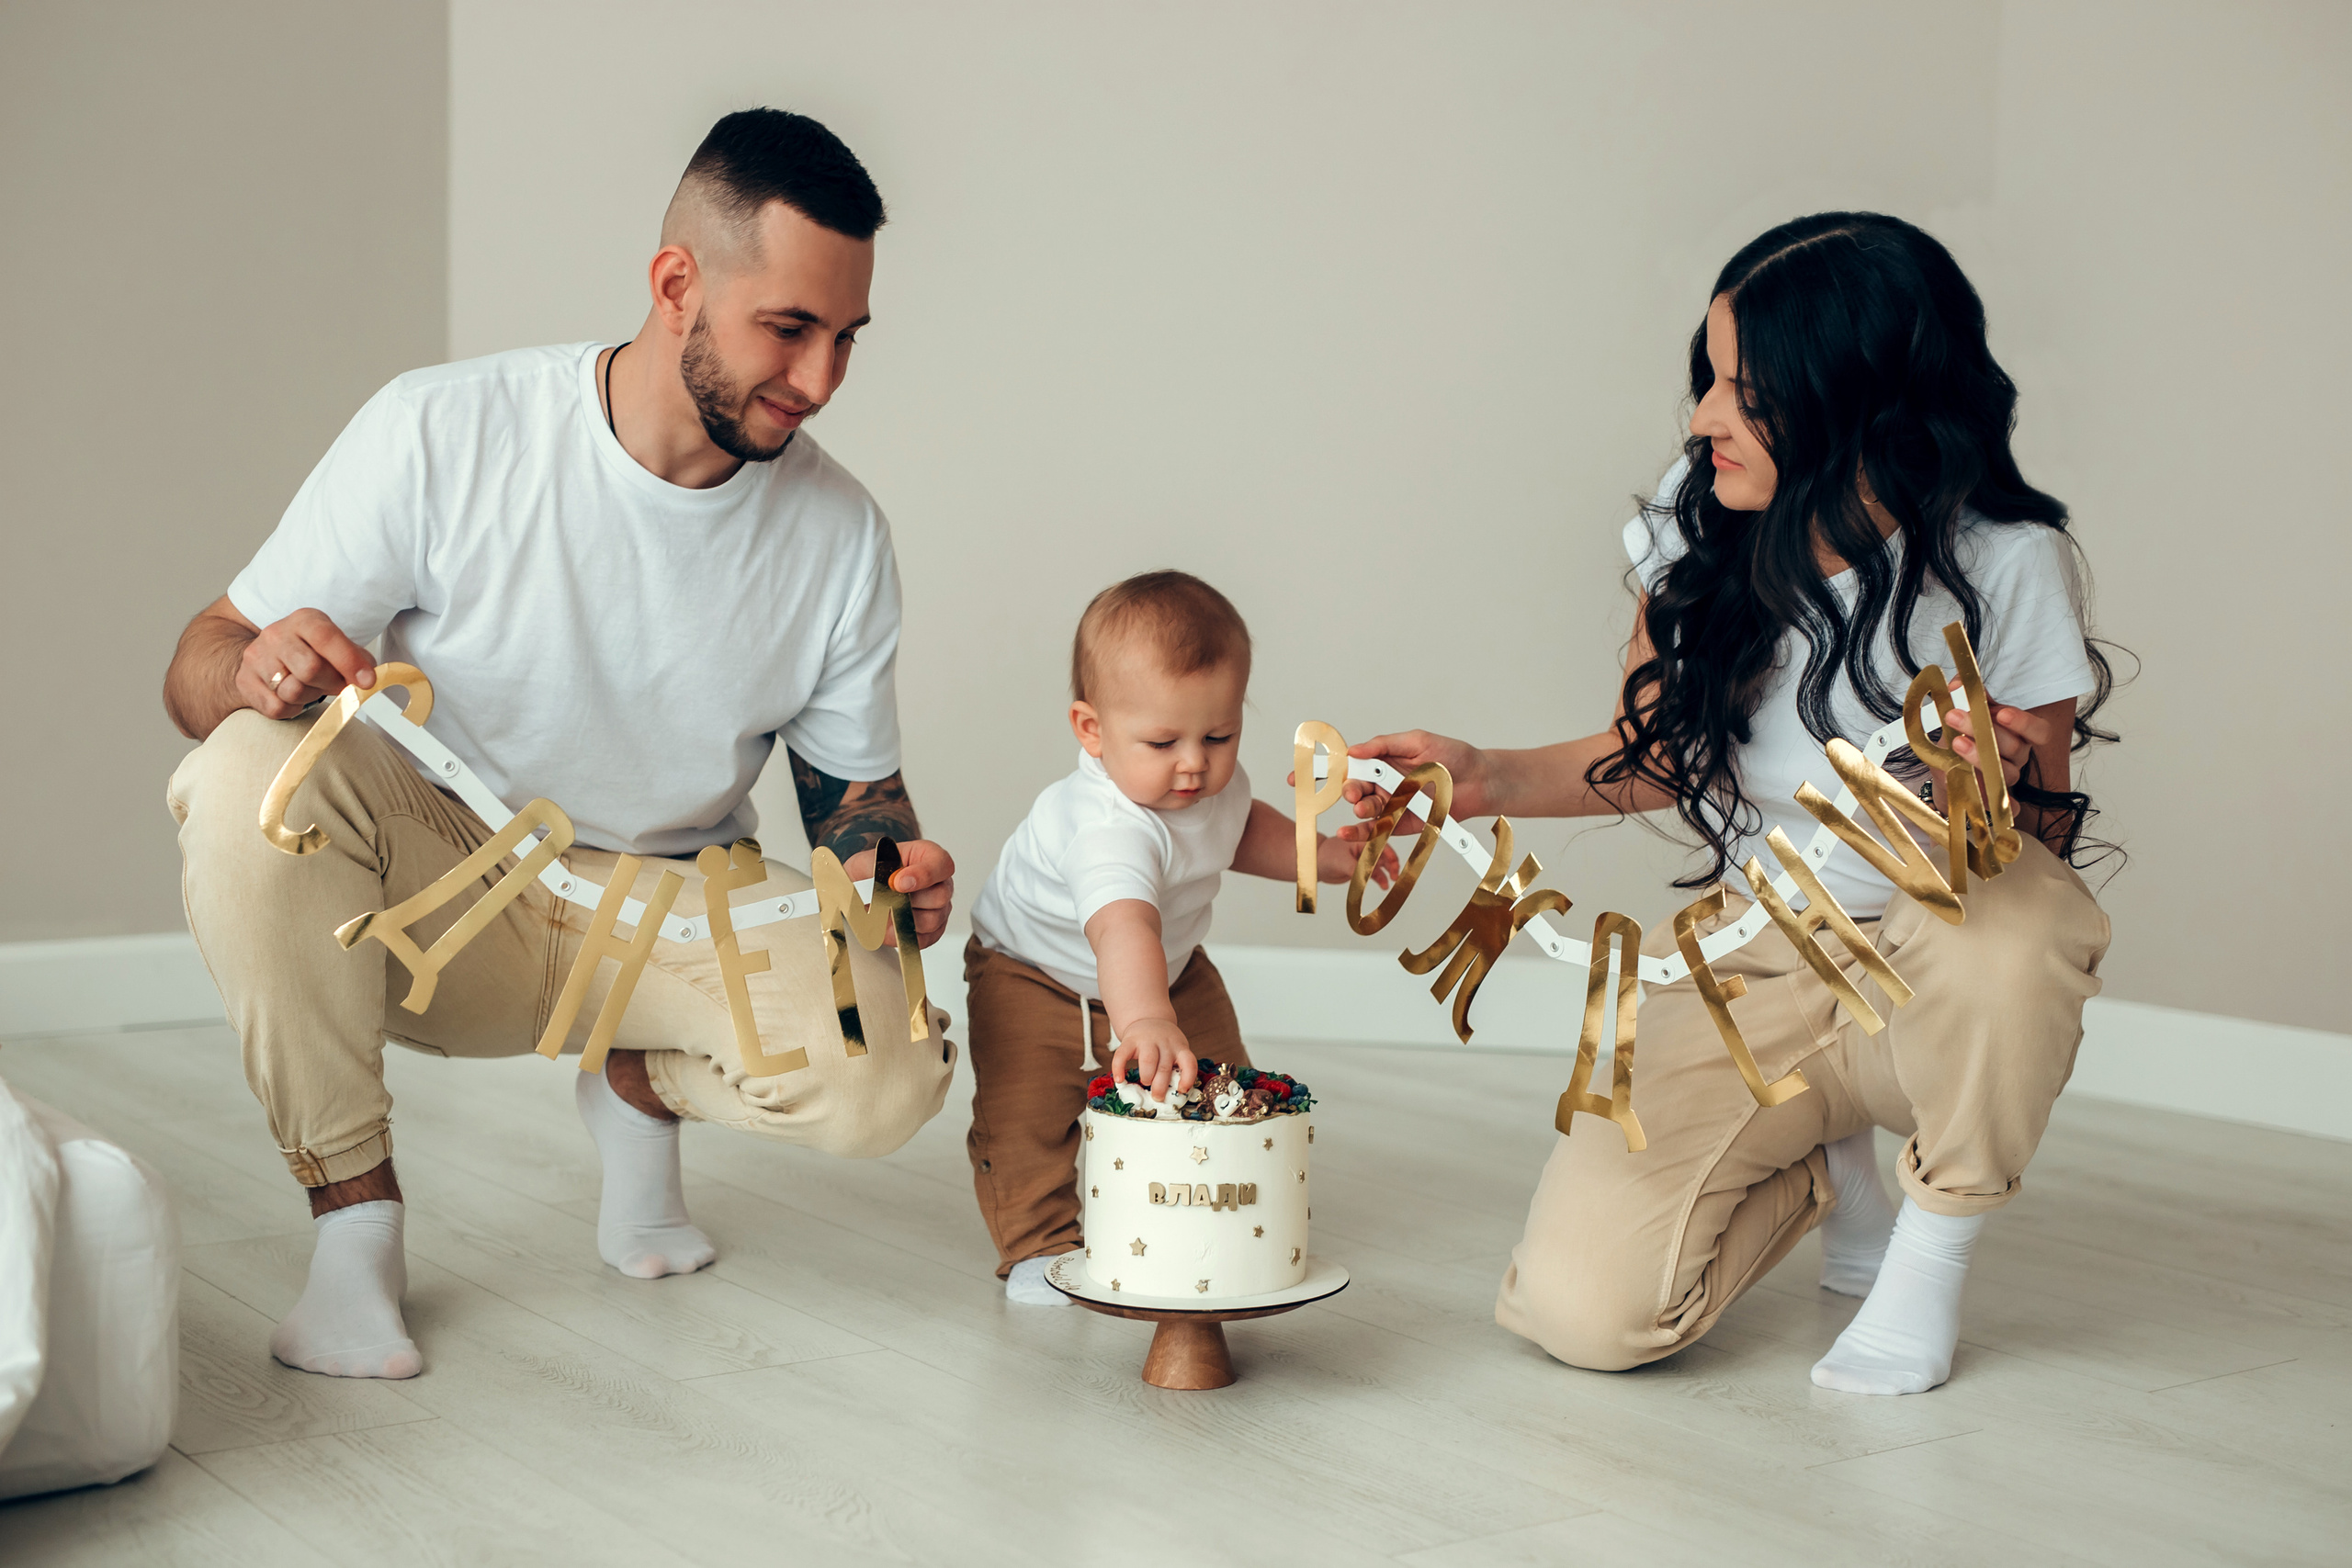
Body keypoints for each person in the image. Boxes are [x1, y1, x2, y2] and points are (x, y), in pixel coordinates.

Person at [159, 109, 958, 1380]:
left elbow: (856, 812)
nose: (820, 381)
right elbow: (201, 655)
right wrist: (258, 670)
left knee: (894, 1063)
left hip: (668, 912)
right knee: (245, 772)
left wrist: (895, 877)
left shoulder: (842, 534)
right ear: (676, 283)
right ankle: (355, 1234)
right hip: (441, 902)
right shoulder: (447, 428)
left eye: (847, 338)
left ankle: (637, 1080)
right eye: (790, 329)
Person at [1341, 213, 2116, 1394]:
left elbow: (2041, 841)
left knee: (2024, 929)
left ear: (1863, 402)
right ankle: (1828, 1168)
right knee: (1584, 1317)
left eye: (1746, 393)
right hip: (1755, 963)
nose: (1703, 417)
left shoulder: (2005, 560)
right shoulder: (1696, 522)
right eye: (1707, 378)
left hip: (1933, 970)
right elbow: (1661, 756)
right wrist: (1480, 774)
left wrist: (1994, 783)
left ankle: (1929, 1246)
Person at [962, 572, 1394, 1304]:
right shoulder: (1104, 824)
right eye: (1163, 741)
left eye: (1218, 735)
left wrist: (1319, 855)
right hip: (1034, 976)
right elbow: (1123, 921)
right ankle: (1039, 1245)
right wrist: (1148, 1019)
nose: (1195, 763)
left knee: (1225, 1087)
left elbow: (1240, 824)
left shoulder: (1206, 785)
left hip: (1171, 971)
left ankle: (1208, 1201)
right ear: (1091, 730)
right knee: (1026, 1119)